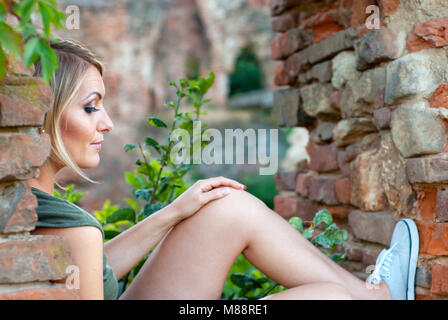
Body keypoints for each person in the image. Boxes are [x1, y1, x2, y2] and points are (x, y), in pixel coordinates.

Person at [26, 38, 419, 300]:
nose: (107, 122)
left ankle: (375, 297)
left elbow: (93, 267)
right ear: (45, 113)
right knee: (328, 298)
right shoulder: (68, 226)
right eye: (91, 106)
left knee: (227, 205)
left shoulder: (34, 206)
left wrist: (173, 213)